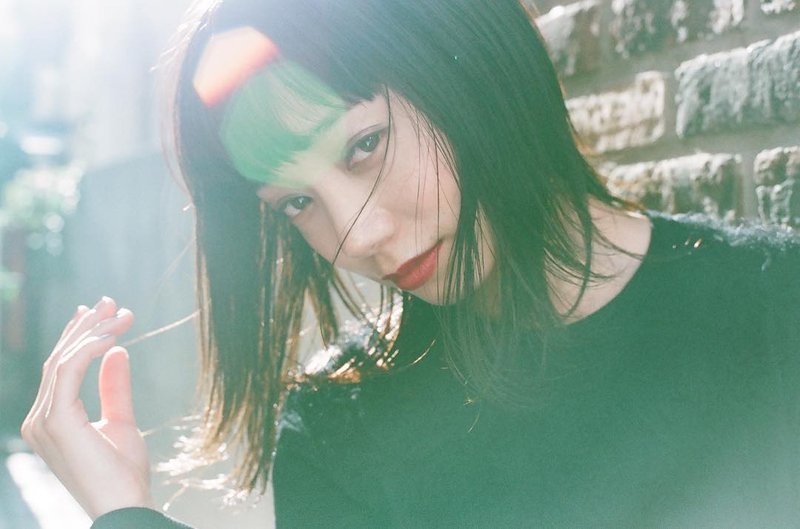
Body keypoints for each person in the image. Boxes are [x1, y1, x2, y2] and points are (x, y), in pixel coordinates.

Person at [20, 0, 800, 527]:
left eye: (365, 145)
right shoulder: (341, 432)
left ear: (468, 67)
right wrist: (125, 514)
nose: (358, 235)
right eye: (296, 203)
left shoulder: (774, 309)